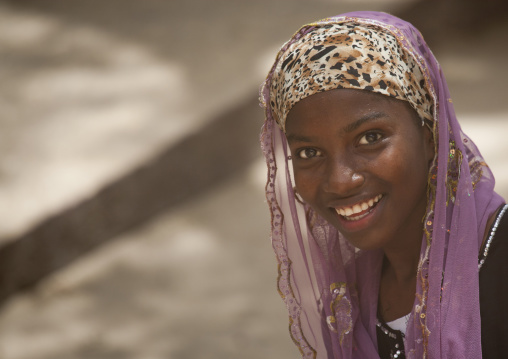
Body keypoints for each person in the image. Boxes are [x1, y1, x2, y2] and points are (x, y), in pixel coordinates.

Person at [259, 11, 507, 359]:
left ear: (432, 137)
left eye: (370, 137)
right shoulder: (351, 299)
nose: (340, 180)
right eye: (309, 152)